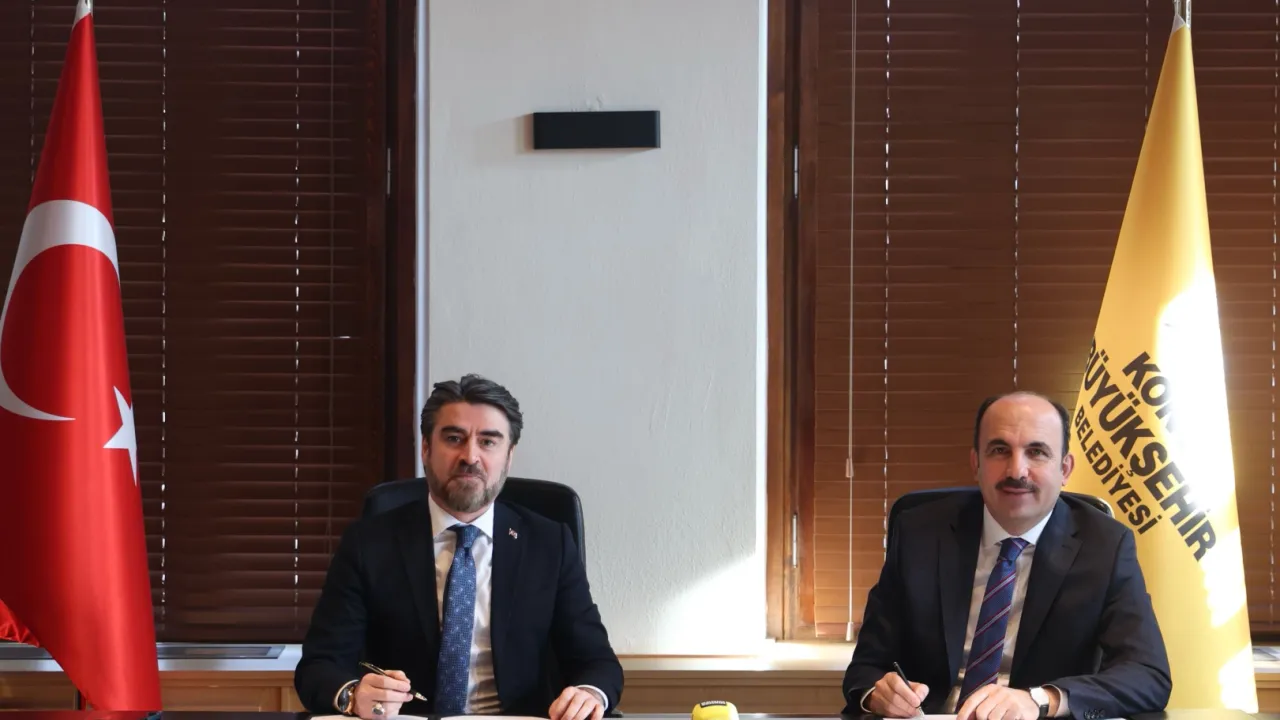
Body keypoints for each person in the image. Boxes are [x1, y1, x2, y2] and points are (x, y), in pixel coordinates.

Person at [295, 374, 623, 720]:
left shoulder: (549, 543)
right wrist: (353, 695)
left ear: (509, 456)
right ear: (426, 448)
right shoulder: (369, 544)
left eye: (488, 441)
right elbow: (319, 666)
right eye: (454, 438)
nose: (470, 456)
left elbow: (597, 663)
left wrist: (589, 694)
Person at [842, 391, 1171, 720]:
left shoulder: (1105, 545)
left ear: (1064, 468)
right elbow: (866, 668)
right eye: (999, 450)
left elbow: (1147, 675)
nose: (1017, 470)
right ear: (976, 463)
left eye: (1036, 452)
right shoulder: (920, 535)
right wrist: (878, 693)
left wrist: (1042, 699)